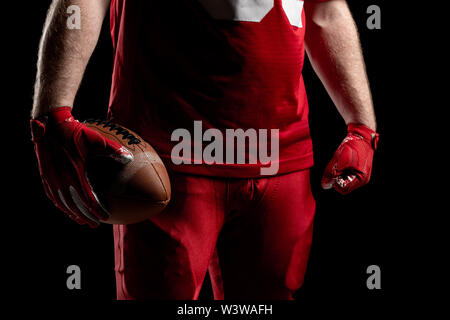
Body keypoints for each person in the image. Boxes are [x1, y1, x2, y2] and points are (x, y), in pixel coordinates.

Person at [30, 0, 379, 300]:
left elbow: (325, 11)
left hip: (279, 157)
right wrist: (52, 113)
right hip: (170, 155)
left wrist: (362, 127)